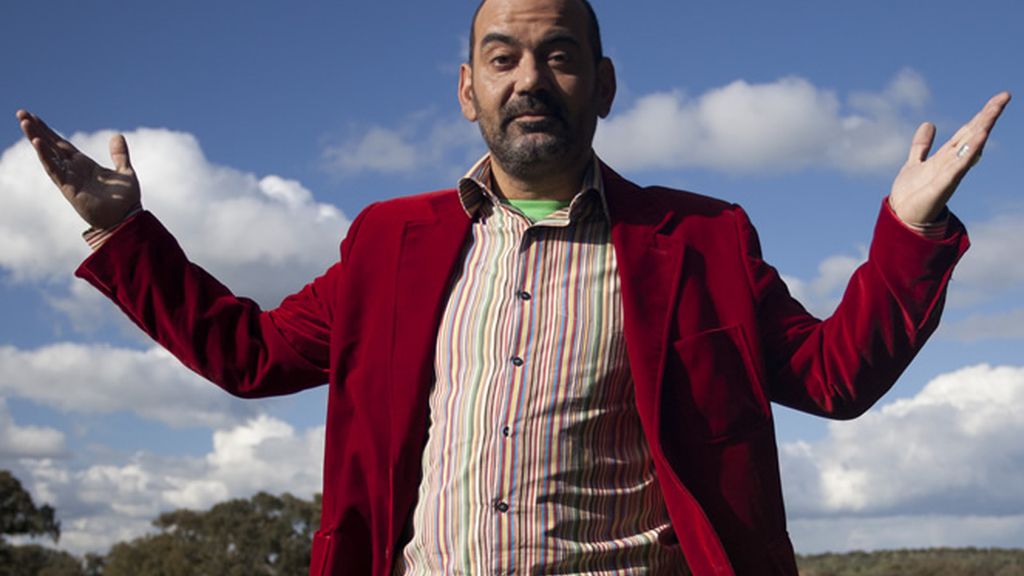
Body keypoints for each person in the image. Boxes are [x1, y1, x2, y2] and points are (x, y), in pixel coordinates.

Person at [15, 0, 1010, 574]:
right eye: (503, 58)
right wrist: (122, 234)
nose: (529, 78)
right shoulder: (387, 242)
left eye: (558, 56)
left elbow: (834, 375)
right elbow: (253, 355)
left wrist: (910, 230)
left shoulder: (700, 240)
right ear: (469, 90)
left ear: (603, 85)